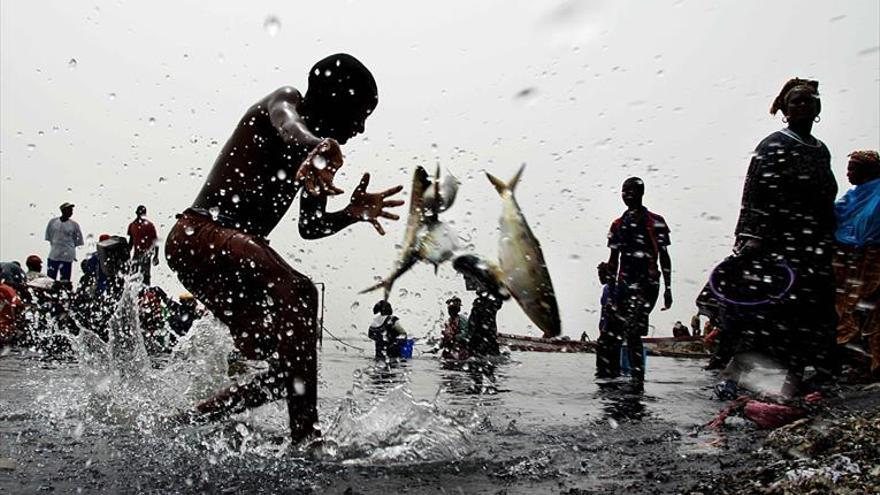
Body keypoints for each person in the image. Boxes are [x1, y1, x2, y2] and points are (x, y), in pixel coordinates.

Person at [164, 53, 404, 442]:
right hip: (200, 234)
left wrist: (351, 213)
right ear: (333, 99)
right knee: (301, 292)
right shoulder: (288, 102)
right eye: (359, 114)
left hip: (234, 255)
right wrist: (315, 146)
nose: (359, 128)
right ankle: (307, 438)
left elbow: (310, 227)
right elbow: (285, 121)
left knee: (287, 370)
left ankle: (180, 423)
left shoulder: (317, 162)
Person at [722, 78, 838, 398]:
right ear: (785, 110)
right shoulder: (774, 144)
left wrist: (831, 238)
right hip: (777, 244)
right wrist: (752, 237)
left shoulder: (821, 150)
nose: (802, 105)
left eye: (808, 100)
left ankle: (795, 381)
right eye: (795, 101)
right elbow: (755, 194)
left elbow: (826, 198)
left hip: (812, 245)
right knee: (769, 315)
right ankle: (734, 379)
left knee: (810, 314)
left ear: (818, 108)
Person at [598, 177, 673, 388]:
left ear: (641, 193)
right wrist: (609, 284)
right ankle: (610, 380)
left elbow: (664, 257)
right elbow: (614, 260)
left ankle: (637, 382)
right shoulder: (618, 225)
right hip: (623, 286)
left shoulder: (655, 222)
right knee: (611, 332)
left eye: (630, 191)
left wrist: (668, 288)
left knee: (633, 331)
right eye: (623, 191)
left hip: (648, 285)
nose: (626, 195)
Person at [833, 150, 880, 381]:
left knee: (865, 307)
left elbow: (868, 227)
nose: (848, 173)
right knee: (849, 307)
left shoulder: (876, 196)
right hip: (850, 258)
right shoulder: (852, 197)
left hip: (870, 259)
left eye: (853, 169)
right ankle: (858, 362)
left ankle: (868, 364)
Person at [453, 255, 508, 358]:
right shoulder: (481, 302)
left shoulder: (487, 303)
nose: (466, 281)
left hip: (483, 351)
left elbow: (479, 331)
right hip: (481, 350)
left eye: (467, 277)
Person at [45, 202, 84, 282]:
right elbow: (49, 236)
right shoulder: (53, 222)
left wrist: (69, 247)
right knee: (50, 280)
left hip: (67, 257)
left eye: (71, 210)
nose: (71, 212)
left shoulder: (74, 225)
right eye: (69, 210)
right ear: (63, 211)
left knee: (65, 281)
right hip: (54, 255)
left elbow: (78, 240)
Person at [127, 205, 160, 285]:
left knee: (145, 276)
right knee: (133, 275)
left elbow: (155, 241)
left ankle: (146, 291)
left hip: (146, 254)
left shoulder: (149, 226)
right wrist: (127, 255)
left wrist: (156, 256)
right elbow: (131, 242)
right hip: (136, 254)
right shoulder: (132, 225)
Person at [440, 296, 469, 360]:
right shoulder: (449, 321)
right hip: (450, 348)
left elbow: (465, 334)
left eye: (452, 309)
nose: (450, 311)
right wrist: (437, 347)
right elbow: (445, 337)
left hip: (460, 348)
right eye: (449, 309)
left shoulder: (462, 319)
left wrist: (454, 337)